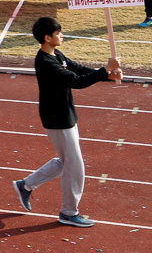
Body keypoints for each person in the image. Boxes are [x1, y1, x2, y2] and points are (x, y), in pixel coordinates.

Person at [13, 17, 121, 228]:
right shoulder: (45, 62)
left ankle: (25, 185)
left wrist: (107, 74)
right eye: (58, 33)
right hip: (57, 119)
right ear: (47, 37)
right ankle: (69, 212)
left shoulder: (56, 55)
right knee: (75, 166)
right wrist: (105, 69)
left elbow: (78, 69)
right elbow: (76, 81)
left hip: (67, 116)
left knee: (66, 162)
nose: (62, 36)